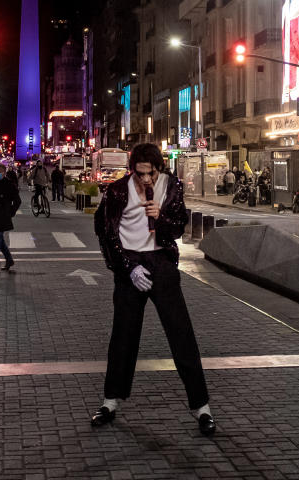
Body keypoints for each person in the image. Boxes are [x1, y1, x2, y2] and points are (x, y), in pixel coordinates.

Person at [92, 143, 214, 436]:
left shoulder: (173, 187)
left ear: (160, 168)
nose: (146, 180)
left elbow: (176, 229)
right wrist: (127, 268)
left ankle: (202, 407)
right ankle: (110, 401)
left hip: (161, 264)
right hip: (129, 265)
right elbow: (107, 234)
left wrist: (160, 216)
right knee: (123, 336)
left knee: (181, 333)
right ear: (132, 169)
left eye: (151, 174)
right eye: (140, 174)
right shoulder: (117, 191)